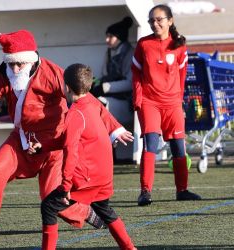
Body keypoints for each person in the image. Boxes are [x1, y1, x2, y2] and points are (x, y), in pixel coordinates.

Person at [0, 30, 104, 238]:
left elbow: (86, 101)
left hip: (54, 145)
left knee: (54, 201)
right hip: (22, 140)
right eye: (11, 63)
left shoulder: (53, 73)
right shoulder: (2, 73)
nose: (14, 69)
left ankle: (86, 212)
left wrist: (114, 129)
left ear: (32, 59)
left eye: (19, 64)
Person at [40, 63, 136, 250]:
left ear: (66, 87)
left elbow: (70, 150)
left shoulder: (75, 113)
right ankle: (130, 248)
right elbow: (68, 139)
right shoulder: (93, 104)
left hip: (87, 179)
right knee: (104, 210)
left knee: (49, 207)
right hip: (104, 176)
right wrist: (44, 146)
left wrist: (66, 186)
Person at [132, 4, 202, 206]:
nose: (155, 23)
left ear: (170, 21)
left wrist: (178, 102)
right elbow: (136, 73)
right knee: (151, 144)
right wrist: (138, 99)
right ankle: (145, 192)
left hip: (172, 104)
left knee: (179, 147)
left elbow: (181, 77)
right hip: (149, 102)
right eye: (151, 20)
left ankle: (182, 190)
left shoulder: (179, 46)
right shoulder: (143, 44)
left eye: (159, 19)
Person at [90, 16, 134, 126]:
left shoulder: (130, 53)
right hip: (111, 95)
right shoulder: (109, 52)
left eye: (110, 36)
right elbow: (104, 75)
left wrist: (104, 87)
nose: (107, 40)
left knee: (98, 105)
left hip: (126, 101)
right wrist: (94, 83)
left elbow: (130, 84)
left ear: (119, 37)